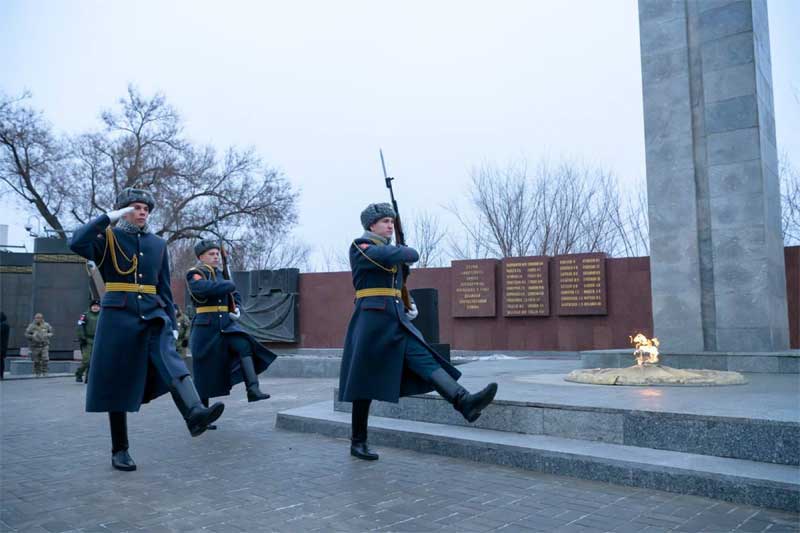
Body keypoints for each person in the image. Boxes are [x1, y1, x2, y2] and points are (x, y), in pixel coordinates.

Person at [69, 187, 224, 472]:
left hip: (153, 313)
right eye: (136, 207)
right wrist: (107, 218)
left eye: (146, 208)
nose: (143, 212)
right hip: (118, 315)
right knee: (117, 382)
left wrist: (171, 319)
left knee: (170, 357)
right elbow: (76, 242)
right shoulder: (107, 238)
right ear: (124, 210)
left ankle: (194, 413)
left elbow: (163, 285)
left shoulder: (157, 244)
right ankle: (120, 449)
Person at [339, 203, 498, 460]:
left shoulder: (389, 250)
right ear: (371, 226)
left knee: (424, 359)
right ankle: (358, 442)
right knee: (363, 382)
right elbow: (401, 255)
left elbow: (403, 267)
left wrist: (405, 300)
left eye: (392, 221)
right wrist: (402, 250)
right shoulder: (361, 246)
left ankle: (464, 401)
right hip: (371, 321)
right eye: (385, 221)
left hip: (396, 319)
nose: (390, 225)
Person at [186, 239, 276, 425]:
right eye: (211, 254)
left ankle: (253, 389)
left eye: (217, 253)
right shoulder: (195, 273)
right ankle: (203, 416)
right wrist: (228, 285)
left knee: (244, 345)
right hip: (205, 326)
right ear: (201, 257)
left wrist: (237, 308)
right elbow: (202, 289)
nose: (216, 256)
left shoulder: (221, 274)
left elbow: (234, 296)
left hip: (225, 325)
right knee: (203, 373)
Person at [75, 300, 101, 383]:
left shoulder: (102, 315)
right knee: (87, 360)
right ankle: (79, 373)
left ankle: (88, 377)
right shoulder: (85, 315)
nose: (95, 307)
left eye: (97, 306)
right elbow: (79, 326)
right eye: (94, 306)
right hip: (87, 340)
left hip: (98, 340)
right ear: (91, 307)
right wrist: (82, 337)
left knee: (94, 361)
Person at [25, 313, 53, 377]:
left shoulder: (46, 325)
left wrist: (48, 335)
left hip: (44, 345)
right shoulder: (31, 326)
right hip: (35, 346)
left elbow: (51, 332)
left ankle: (45, 372)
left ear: (42, 318)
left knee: (45, 359)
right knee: (36, 360)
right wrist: (32, 336)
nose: (38, 319)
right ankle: (37, 372)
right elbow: (26, 334)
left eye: (39, 318)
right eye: (36, 318)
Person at [0, 312, 9, 380]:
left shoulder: (3, 325)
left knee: (1, 362)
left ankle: (1, 375)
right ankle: (1, 375)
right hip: (3, 347)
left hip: (1, 347)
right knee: (1, 361)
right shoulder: (5, 325)